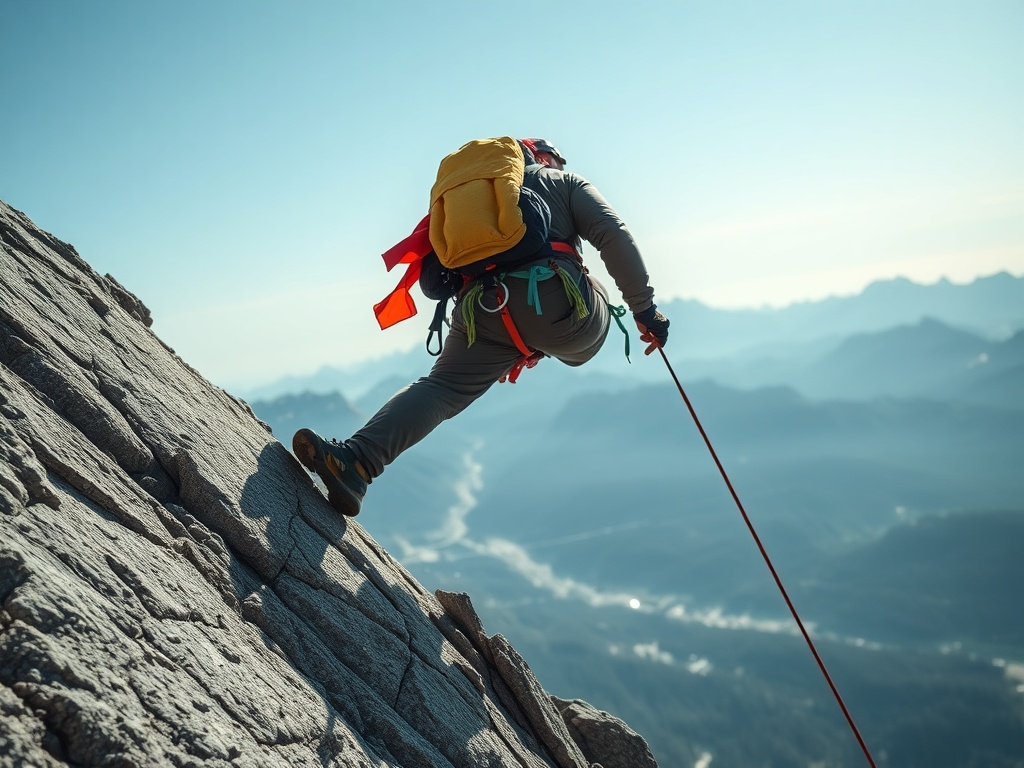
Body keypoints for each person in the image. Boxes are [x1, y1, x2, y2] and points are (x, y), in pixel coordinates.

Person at [292, 137, 670, 516]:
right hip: (562, 313)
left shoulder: (472, 199)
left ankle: (355, 461)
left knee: (441, 387)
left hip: (481, 310)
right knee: (595, 292)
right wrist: (645, 310)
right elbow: (613, 234)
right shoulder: (563, 182)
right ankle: (536, 344)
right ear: (540, 156)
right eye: (557, 158)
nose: (559, 164)